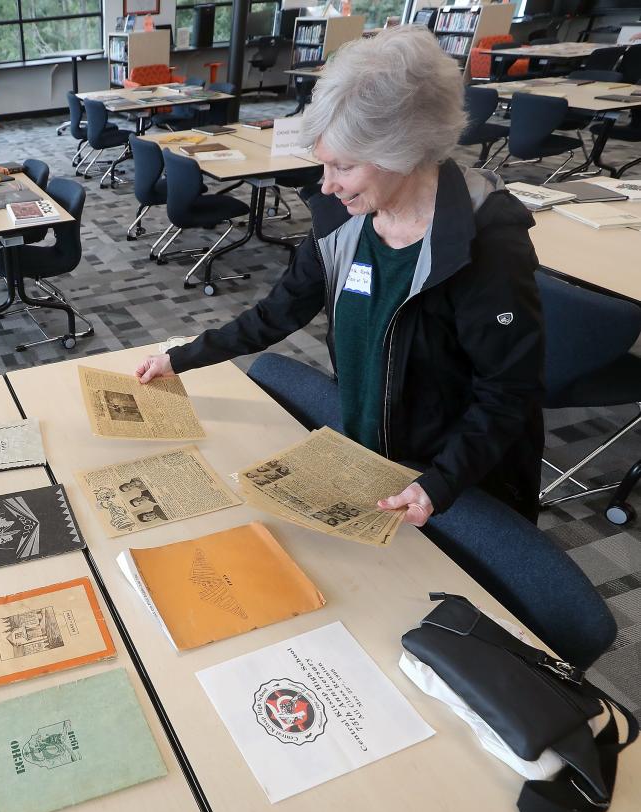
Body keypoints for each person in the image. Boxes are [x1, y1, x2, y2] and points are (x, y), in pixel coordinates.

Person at [136, 26, 544, 524]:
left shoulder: (486, 241)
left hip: (455, 480)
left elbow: (508, 391)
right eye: (323, 165)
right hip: (373, 455)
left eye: (343, 167)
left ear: (404, 152)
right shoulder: (341, 224)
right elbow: (277, 312)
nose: (326, 187)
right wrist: (180, 358)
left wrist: (440, 483)